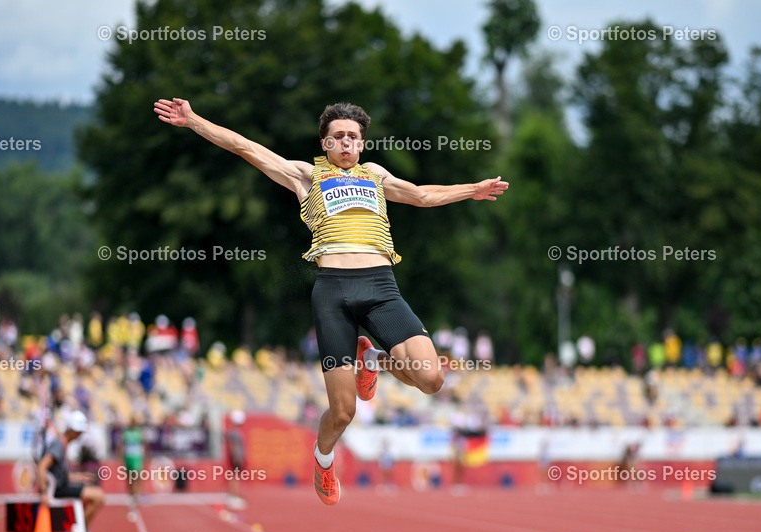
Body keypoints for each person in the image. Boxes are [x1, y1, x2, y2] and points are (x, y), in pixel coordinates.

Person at [154, 98, 508, 505]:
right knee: (343, 413)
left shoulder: (374, 175)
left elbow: (422, 195)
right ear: (325, 143)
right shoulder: (306, 175)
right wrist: (195, 120)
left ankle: (371, 360)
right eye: (338, 136)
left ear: (361, 145)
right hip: (333, 292)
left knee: (431, 378)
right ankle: (323, 460)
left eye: (353, 137)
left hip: (380, 286)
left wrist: (473, 190)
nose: (345, 143)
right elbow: (245, 147)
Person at [37, 410, 104, 532]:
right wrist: (44, 492)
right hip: (57, 489)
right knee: (98, 497)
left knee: (96, 495)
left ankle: (79, 530)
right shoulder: (59, 444)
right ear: (72, 430)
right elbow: (42, 466)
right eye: (79, 432)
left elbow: (60, 474)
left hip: (61, 485)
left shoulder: (63, 444)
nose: (80, 435)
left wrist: (80, 477)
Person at [118, 414, 147, 509]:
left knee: (137, 476)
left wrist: (145, 457)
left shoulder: (139, 432)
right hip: (128, 457)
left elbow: (144, 444)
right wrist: (121, 458)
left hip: (137, 457)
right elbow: (121, 445)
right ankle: (131, 494)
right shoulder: (126, 432)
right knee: (129, 477)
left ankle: (136, 495)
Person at [224, 410, 247, 508]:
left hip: (235, 457)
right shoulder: (235, 433)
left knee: (234, 477)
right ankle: (234, 496)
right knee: (235, 477)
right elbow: (234, 446)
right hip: (236, 457)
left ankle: (232, 496)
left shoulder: (233, 432)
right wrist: (237, 457)